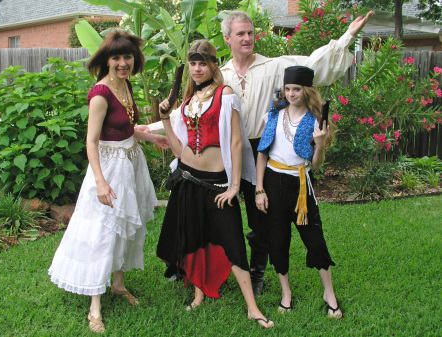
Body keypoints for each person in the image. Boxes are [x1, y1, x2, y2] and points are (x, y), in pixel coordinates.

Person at [145, 9, 373, 296]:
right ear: (227, 38)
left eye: (251, 33)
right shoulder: (220, 75)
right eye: (240, 33)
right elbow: (187, 113)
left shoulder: (274, 67)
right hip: (221, 151)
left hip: (260, 149)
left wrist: (347, 35)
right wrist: (151, 126)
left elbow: (313, 65)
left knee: (259, 215)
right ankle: (196, 266)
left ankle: (257, 273)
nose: (247, 38)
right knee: (208, 211)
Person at [48, 30, 168, 333]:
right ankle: (95, 307)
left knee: (127, 228)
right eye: (116, 57)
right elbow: (91, 142)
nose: (123, 63)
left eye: (127, 57)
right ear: (107, 60)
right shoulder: (100, 94)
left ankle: (118, 284)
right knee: (103, 232)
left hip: (131, 164)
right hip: (109, 169)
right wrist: (101, 183)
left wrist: (151, 135)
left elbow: (125, 129)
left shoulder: (125, 85)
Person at [156, 40, 274, 329]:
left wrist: (234, 186)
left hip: (218, 184)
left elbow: (235, 141)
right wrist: (165, 121)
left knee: (233, 241)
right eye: (192, 63)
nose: (197, 69)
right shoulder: (186, 101)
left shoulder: (225, 94)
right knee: (194, 237)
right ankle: (198, 294)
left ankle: (252, 307)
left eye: (202, 63)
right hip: (187, 179)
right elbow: (177, 149)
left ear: (212, 65)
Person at [255, 65, 342, 318]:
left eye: (297, 89)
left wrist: (321, 144)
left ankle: (329, 292)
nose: (291, 94)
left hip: (301, 185)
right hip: (272, 183)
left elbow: (315, 165)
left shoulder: (315, 121)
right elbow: (261, 154)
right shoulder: (274, 116)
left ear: (307, 91)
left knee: (315, 240)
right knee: (278, 241)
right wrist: (260, 189)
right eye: (288, 89)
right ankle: (286, 294)